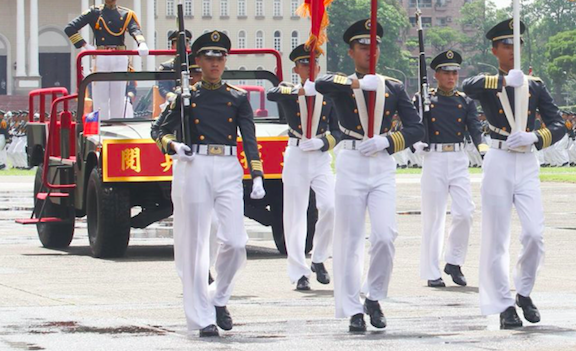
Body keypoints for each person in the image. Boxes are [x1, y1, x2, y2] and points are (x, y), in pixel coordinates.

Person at [151, 30, 266, 337]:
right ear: (198, 61)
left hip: (228, 165)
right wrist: (174, 146)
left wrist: (256, 173)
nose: (215, 64)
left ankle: (218, 297)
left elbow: (249, 138)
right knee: (195, 244)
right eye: (209, 58)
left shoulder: (237, 97)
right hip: (195, 163)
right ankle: (201, 318)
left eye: (220, 58)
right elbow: (158, 131)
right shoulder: (185, 97)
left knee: (235, 242)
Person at [312, 19, 424, 333]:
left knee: (386, 236)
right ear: (351, 52)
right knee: (348, 240)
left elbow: (417, 128)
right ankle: (351, 309)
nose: (369, 51)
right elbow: (321, 82)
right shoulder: (341, 83)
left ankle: (374, 296)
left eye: (373, 46)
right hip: (351, 161)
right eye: (362, 47)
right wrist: (358, 85)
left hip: (382, 164)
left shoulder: (394, 86)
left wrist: (389, 141)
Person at [462, 18, 565, 329]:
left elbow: (558, 124)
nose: (513, 49)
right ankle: (503, 303)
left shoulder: (536, 86)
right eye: (506, 44)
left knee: (535, 234)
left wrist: (536, 137)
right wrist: (505, 82)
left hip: (527, 161)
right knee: (496, 236)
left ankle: (523, 290)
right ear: (494, 50)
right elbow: (469, 87)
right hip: (499, 159)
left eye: (517, 44)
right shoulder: (489, 83)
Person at [267, 44, 340, 291]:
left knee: (330, 206)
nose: (310, 68)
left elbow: (338, 131)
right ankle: (299, 271)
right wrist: (299, 91)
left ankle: (319, 258)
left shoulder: (328, 96)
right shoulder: (290, 90)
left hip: (318, 155)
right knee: (295, 215)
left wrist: (322, 142)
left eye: (313, 64)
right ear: (297, 68)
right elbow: (273, 93)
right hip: (297, 153)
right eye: (304, 64)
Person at [414, 49, 485, 289]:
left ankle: (454, 261)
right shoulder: (424, 99)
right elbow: (413, 124)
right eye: (447, 72)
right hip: (434, 158)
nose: (452, 77)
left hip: (457, 158)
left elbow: (475, 128)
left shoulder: (464, 101)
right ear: (436, 75)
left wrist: (484, 150)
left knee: (465, 211)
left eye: (455, 72)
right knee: (433, 218)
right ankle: (431, 270)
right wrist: (417, 141)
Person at [64, 0, 148, 120]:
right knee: (100, 97)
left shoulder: (126, 14)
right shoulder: (95, 12)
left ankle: (117, 125)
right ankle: (101, 127)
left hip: (120, 57)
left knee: (118, 96)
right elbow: (70, 28)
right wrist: (86, 46)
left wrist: (141, 43)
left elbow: (135, 29)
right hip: (102, 56)